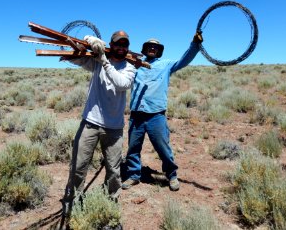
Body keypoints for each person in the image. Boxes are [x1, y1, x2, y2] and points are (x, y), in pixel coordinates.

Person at [62, 30, 136, 208]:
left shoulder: (130, 68)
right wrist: (89, 41)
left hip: (114, 127)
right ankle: (73, 200)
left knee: (113, 170)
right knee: (79, 165)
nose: (121, 47)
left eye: (124, 45)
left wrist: (103, 60)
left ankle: (112, 201)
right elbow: (74, 58)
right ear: (111, 44)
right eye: (117, 44)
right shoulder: (96, 61)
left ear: (127, 48)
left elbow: (122, 84)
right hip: (91, 122)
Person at [122, 30, 203, 191]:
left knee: (163, 147)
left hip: (156, 116)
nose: (152, 48)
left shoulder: (166, 65)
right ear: (144, 49)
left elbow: (184, 59)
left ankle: (172, 175)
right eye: (149, 46)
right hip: (136, 115)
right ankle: (133, 175)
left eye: (155, 47)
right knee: (133, 147)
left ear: (159, 51)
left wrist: (195, 44)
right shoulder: (134, 64)